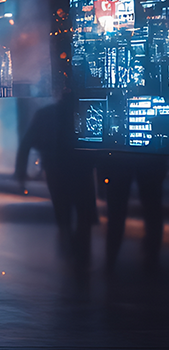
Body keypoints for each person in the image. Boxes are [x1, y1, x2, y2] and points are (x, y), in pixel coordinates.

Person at [15, 93, 94, 264]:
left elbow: (26, 143)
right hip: (81, 171)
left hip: (56, 170)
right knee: (83, 214)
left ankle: (69, 246)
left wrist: (21, 173)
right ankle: (82, 256)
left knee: (63, 212)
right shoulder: (86, 112)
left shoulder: (46, 114)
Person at [95, 151, 165, 274]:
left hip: (119, 158)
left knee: (116, 210)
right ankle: (152, 256)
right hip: (151, 157)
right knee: (152, 208)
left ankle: (111, 256)